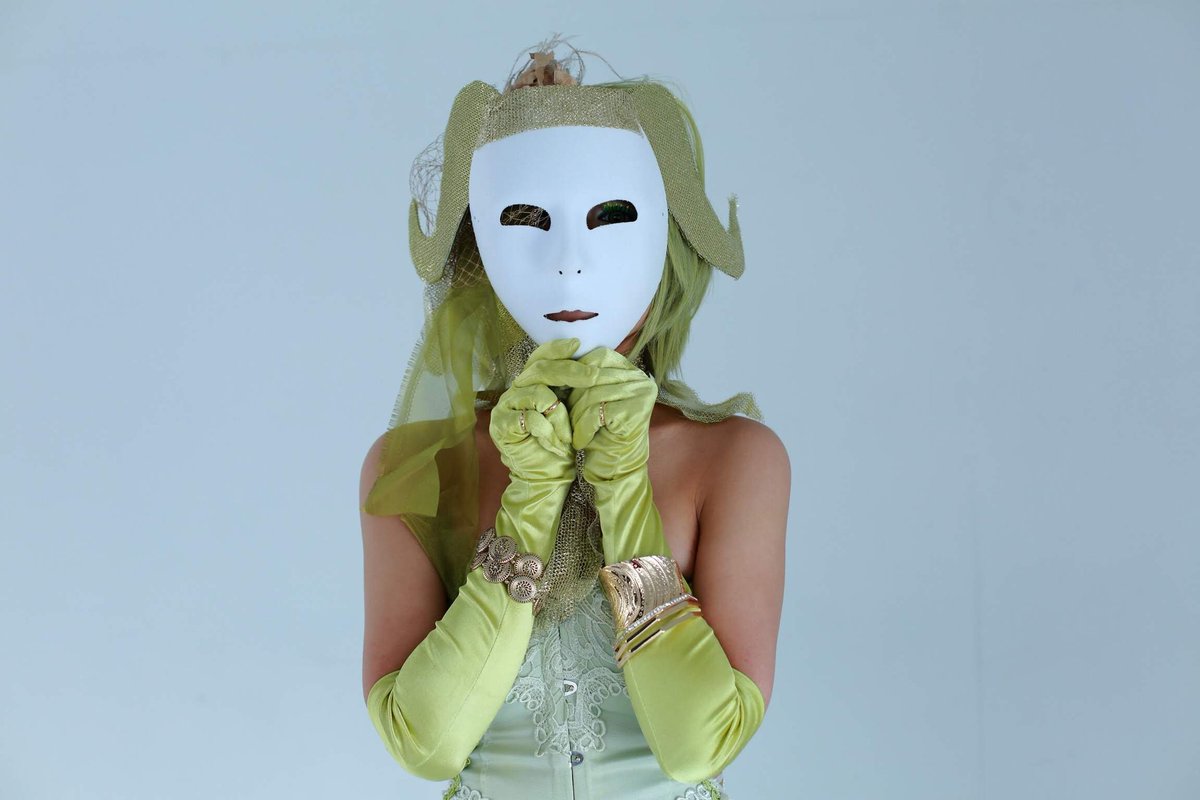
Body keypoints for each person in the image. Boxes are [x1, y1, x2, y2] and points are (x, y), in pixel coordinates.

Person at [359, 42, 790, 799]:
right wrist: (529, 501)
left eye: (611, 217)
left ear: (667, 241)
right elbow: (424, 742)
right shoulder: (414, 464)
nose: (570, 263)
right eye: (527, 220)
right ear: (481, 254)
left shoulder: (735, 459)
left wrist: (623, 486)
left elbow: (698, 745)